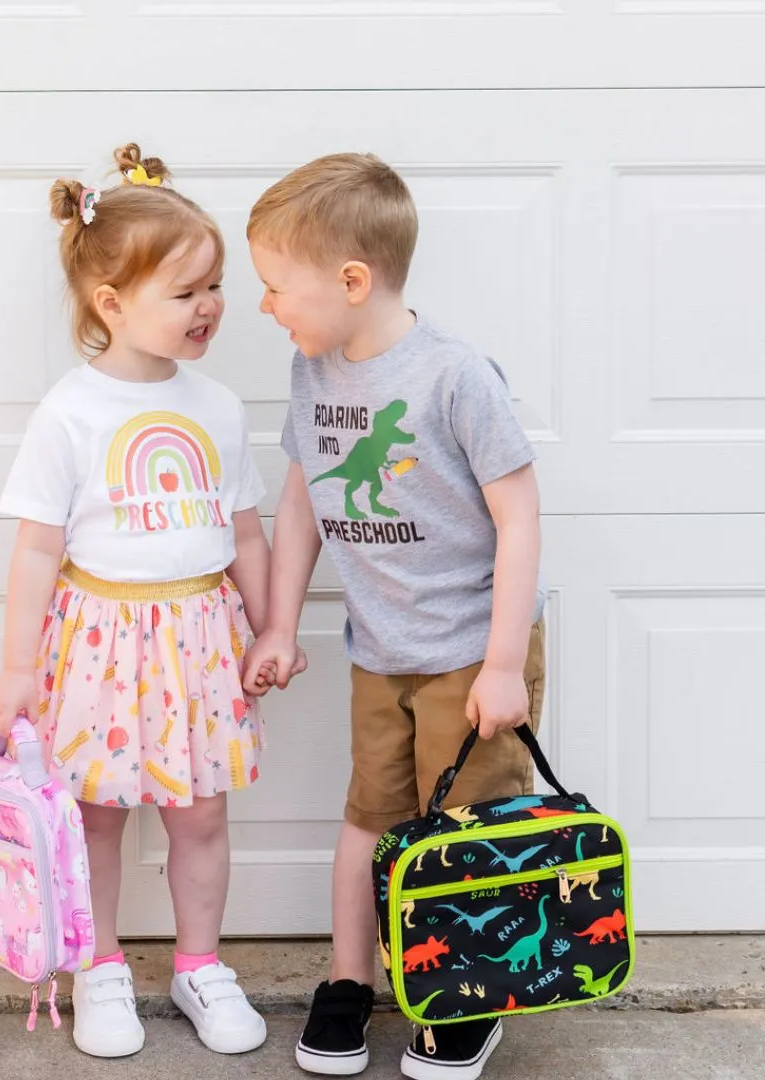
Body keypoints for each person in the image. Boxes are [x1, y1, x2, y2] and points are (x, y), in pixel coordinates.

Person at [242, 152, 546, 1080]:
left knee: (466, 833)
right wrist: (281, 626)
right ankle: (350, 981)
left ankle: (468, 994)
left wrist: (502, 666)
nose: (265, 308)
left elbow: (520, 517)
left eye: (274, 287)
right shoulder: (313, 373)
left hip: (468, 653)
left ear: (352, 280)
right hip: (380, 652)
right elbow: (302, 502)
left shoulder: (456, 376)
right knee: (369, 817)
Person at [0, 142, 271, 1060]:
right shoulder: (69, 412)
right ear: (111, 303)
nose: (210, 308)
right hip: (98, 642)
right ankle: (99, 966)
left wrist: (269, 629)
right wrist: (18, 667)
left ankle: (198, 965)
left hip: (198, 642)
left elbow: (249, 535)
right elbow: (37, 548)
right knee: (95, 818)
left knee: (202, 816)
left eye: (215, 286)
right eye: (186, 292)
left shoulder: (219, 407)